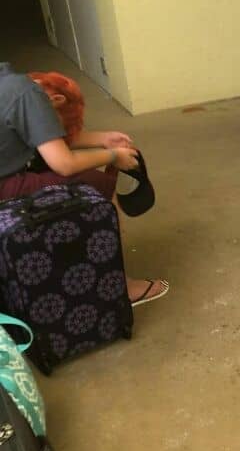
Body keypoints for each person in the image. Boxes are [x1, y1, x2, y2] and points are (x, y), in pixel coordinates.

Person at [0, 63, 169, 307]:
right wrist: (114, 156)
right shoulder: (23, 90)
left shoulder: (15, 88)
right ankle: (121, 287)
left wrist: (101, 139)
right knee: (97, 185)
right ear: (56, 100)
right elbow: (64, 163)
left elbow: (35, 133)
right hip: (5, 187)